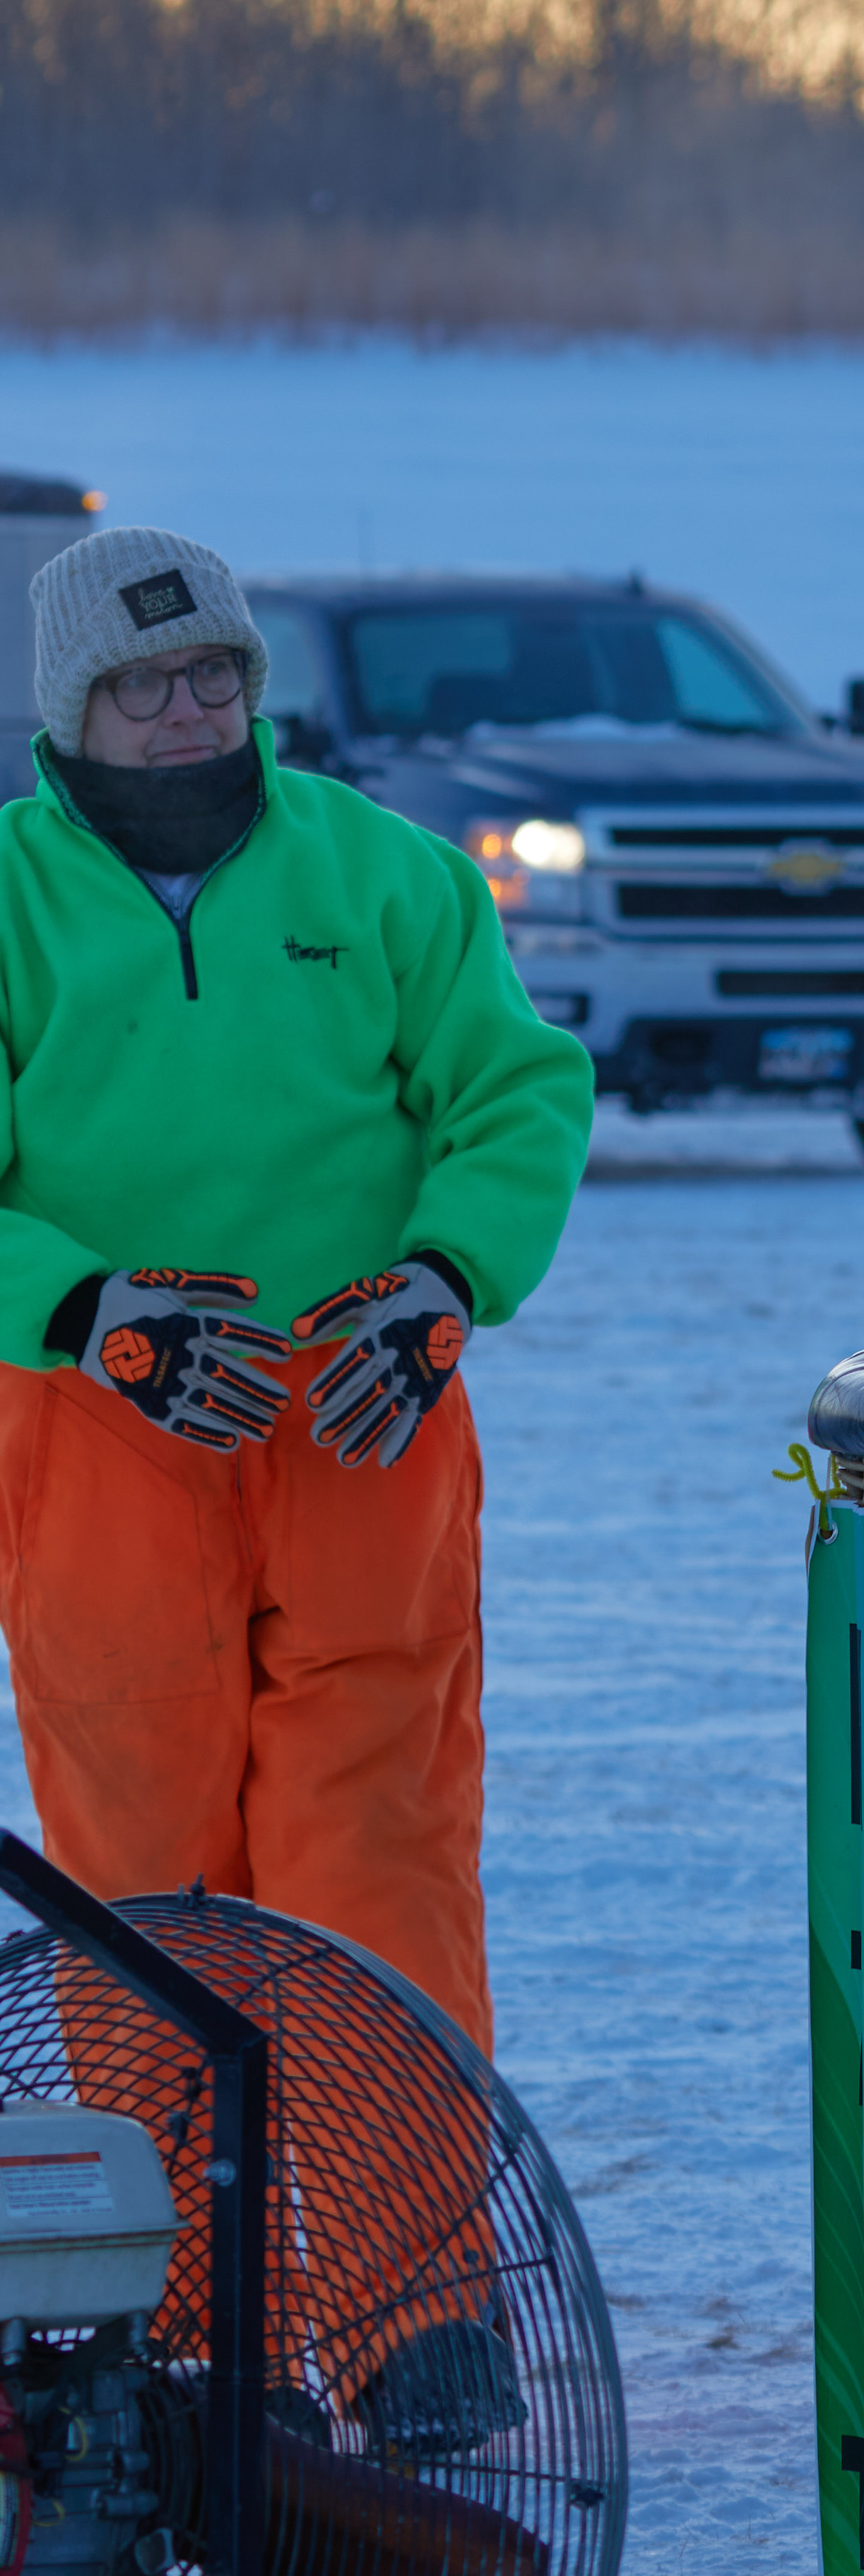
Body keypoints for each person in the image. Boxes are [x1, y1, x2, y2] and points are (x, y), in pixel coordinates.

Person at [0, 525, 594, 2135]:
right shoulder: (6, 903)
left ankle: (420, 2312)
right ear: (69, 706)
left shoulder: (385, 871)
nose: (188, 710)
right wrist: (87, 1309)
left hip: (363, 1412)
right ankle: (181, 2343)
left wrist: (444, 1282)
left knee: (377, 1858)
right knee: (144, 1886)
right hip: (103, 1434)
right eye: (142, 684)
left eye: (213, 673)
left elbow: (517, 1095)